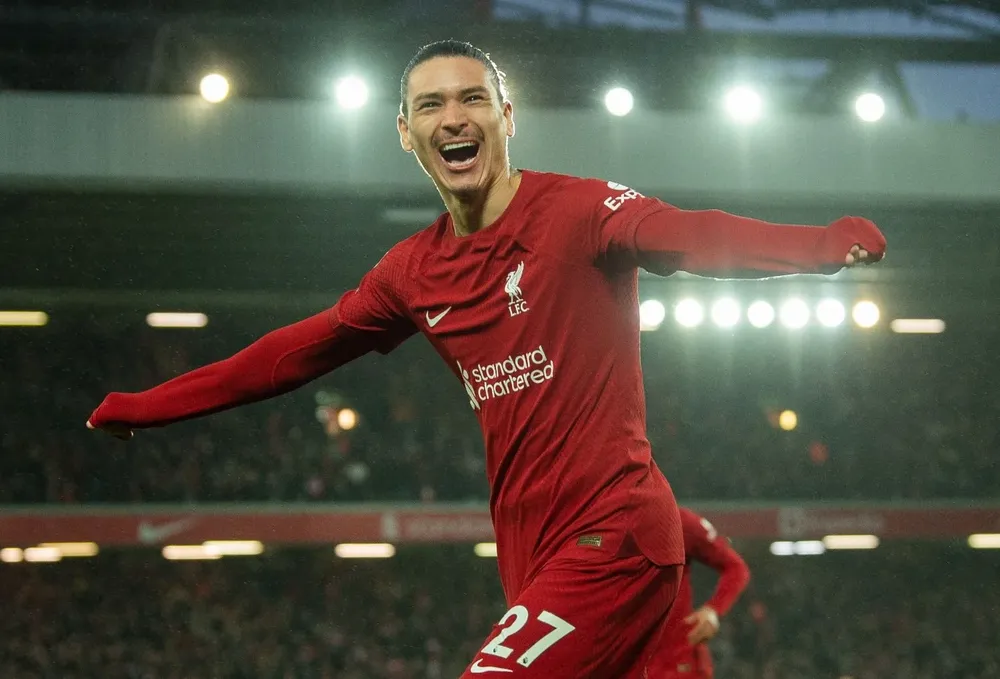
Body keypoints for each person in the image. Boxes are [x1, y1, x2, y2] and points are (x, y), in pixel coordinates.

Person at [87, 40, 886, 678]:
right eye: (430, 104)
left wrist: (814, 247)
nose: (453, 116)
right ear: (405, 132)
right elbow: (295, 353)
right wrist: (149, 404)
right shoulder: (411, 271)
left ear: (507, 116)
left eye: (472, 98)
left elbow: (686, 235)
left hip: (616, 536)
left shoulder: (576, 212)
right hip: (533, 560)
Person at [649, 507, 751, 679]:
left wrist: (714, 609)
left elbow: (735, 567)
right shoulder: (602, 524)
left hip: (675, 661)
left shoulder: (679, 522)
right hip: (624, 659)